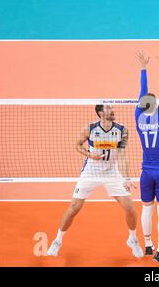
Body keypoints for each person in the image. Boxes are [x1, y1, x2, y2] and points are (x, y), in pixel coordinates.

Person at [46, 105, 143, 258]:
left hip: (112, 172)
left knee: (130, 208)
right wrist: (90, 155)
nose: (112, 111)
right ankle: (57, 240)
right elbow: (77, 145)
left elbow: (122, 155)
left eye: (112, 108)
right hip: (91, 172)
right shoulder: (89, 129)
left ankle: (132, 239)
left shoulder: (122, 130)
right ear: (100, 113)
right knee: (73, 208)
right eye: (108, 109)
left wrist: (126, 177)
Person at [134, 49, 159, 265]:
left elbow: (144, 91)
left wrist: (143, 67)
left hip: (146, 172)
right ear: (157, 105)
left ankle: (148, 244)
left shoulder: (138, 117)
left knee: (146, 209)